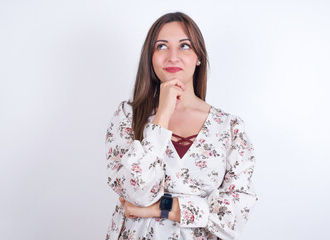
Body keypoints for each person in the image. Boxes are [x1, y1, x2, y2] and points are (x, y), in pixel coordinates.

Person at [104, 12, 258, 240]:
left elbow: (234, 214)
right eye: (162, 46)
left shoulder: (229, 128)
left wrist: (158, 209)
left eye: (185, 46)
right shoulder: (128, 116)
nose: (173, 57)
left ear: (198, 57)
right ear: (150, 57)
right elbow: (136, 193)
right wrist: (162, 115)